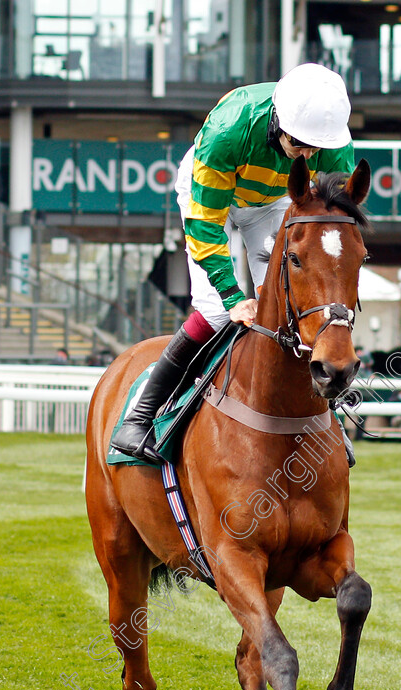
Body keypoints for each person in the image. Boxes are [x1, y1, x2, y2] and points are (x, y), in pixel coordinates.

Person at [111, 63, 355, 462]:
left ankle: (326, 416)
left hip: (273, 200)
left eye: (317, 147)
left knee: (293, 307)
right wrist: (231, 295)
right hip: (214, 195)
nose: (310, 155)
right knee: (219, 313)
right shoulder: (229, 128)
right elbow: (206, 227)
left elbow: (331, 219)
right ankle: (139, 417)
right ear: (279, 122)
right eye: (301, 146)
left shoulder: (331, 138)